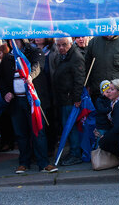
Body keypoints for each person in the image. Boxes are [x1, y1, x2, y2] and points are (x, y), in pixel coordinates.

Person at [0, 39, 57, 174]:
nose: (14, 42)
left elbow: (38, 66)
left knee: (38, 131)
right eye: (11, 40)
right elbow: (1, 78)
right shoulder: (8, 57)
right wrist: (5, 92)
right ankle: (24, 162)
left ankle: (43, 163)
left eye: (17, 40)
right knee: (21, 133)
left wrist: (30, 76)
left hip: (32, 100)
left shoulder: (35, 52)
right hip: (16, 101)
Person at [52, 37, 86, 166]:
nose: (61, 48)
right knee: (68, 126)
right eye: (59, 45)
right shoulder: (64, 56)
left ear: (71, 44)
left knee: (71, 127)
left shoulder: (75, 57)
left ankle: (75, 153)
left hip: (70, 99)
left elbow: (79, 79)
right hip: (63, 98)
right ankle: (73, 151)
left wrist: (76, 98)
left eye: (64, 45)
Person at [97, 79, 119, 169]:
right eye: (109, 88)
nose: (109, 91)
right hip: (118, 131)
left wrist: (105, 136)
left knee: (103, 142)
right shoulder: (114, 102)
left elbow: (118, 127)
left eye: (112, 89)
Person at [84, 35, 119, 101]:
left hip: (118, 93)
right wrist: (87, 86)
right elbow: (87, 66)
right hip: (98, 91)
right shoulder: (94, 42)